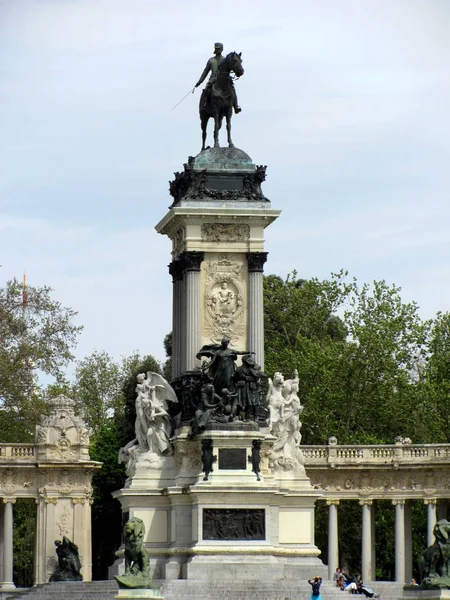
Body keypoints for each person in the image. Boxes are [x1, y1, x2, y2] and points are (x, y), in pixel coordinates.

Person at [195, 42, 241, 114]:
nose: (218, 50)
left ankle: (236, 106)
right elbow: (205, 72)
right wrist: (200, 81)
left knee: (232, 89)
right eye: (216, 49)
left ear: (221, 49)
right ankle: (204, 105)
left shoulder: (224, 59)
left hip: (224, 80)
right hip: (213, 79)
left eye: (219, 49)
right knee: (207, 90)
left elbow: (230, 67)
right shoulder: (211, 60)